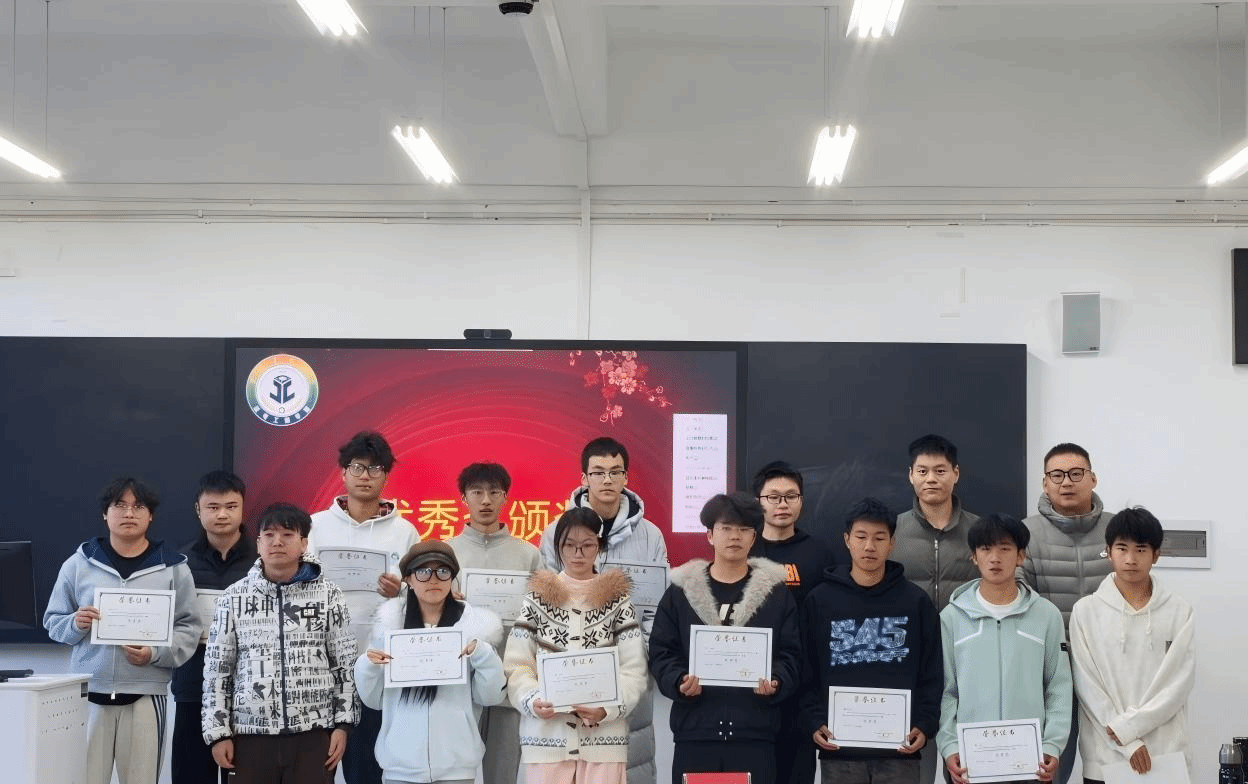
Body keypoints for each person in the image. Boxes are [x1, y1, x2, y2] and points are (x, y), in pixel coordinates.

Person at [43, 476, 199, 784]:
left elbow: (189, 626)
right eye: (119, 505)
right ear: (105, 513)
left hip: (145, 695)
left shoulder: (173, 567)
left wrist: (155, 653)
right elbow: (53, 622)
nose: (129, 513)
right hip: (89, 693)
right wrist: (75, 623)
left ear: (150, 515)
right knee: (84, 779)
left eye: (138, 507)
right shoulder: (78, 564)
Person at [538, 436, 668, 784]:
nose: (607, 480)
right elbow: (546, 602)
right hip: (572, 669)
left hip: (629, 670)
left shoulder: (651, 536)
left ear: (626, 477)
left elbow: (658, 609)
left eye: (615, 471)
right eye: (598, 472)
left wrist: (637, 655)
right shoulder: (555, 532)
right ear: (584, 478)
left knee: (632, 763)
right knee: (572, 766)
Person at [648, 492, 802, 784]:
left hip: (754, 734)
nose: (735, 536)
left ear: (754, 537)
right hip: (696, 733)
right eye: (726, 528)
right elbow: (661, 651)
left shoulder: (775, 595)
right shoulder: (681, 593)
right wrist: (679, 680)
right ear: (709, 535)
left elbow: (791, 654)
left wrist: (777, 681)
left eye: (744, 529)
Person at [202, 502, 359, 784]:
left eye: (287, 534)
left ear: (303, 543)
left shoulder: (329, 595)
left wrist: (343, 725)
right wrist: (218, 732)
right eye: (269, 535)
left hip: (314, 734)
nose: (277, 542)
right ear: (258, 543)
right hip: (249, 735)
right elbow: (218, 670)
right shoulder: (233, 598)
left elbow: (344, 665)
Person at [505, 507, 649, 784]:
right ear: (558, 547)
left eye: (587, 545)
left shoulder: (618, 602)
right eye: (569, 545)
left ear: (600, 547)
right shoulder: (536, 600)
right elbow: (517, 665)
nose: (577, 554)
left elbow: (634, 670)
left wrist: (607, 709)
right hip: (546, 740)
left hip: (604, 742)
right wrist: (534, 701)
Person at [803, 497, 942, 784]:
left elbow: (932, 671)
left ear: (892, 543)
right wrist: (814, 720)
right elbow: (806, 669)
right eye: (861, 537)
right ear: (847, 540)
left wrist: (925, 723)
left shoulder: (915, 602)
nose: (869, 546)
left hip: (900, 751)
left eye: (879, 538)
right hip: (840, 751)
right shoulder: (820, 601)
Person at [309, 430, 422, 784]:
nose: (365, 476)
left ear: (386, 476)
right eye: (357, 467)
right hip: (320, 664)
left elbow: (423, 593)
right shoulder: (314, 526)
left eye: (375, 469)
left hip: (377, 666)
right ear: (343, 472)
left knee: (368, 769)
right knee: (315, 767)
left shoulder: (405, 532)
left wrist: (401, 590)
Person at [355, 540, 508, 784]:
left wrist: (483, 655)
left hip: (457, 769)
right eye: (423, 571)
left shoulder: (474, 629)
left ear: (452, 578)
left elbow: (490, 697)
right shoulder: (389, 629)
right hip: (400, 769)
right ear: (408, 579)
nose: (433, 579)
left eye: (443, 571)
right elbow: (374, 700)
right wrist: (367, 666)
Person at [938, 514, 1071, 784]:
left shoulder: (1046, 615)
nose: (995, 558)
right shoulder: (951, 618)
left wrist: (1051, 745)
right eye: (986, 549)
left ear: (1021, 556)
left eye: (1005, 549)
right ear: (974, 557)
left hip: (1031, 761)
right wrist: (950, 746)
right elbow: (945, 690)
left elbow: (1058, 686)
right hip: (971, 761)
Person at [1068, 507, 1195, 784]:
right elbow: (1088, 687)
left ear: (1156, 555)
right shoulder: (1085, 611)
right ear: (1108, 551)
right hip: (1105, 757)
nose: (1130, 559)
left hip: (1166, 756)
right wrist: (1129, 742)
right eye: (1122, 548)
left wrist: (1129, 728)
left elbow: (1178, 683)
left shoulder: (1179, 611)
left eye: (1141, 549)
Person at [1021, 442, 1114, 783]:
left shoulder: (1116, 530)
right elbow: (1020, 598)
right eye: (1057, 475)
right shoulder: (1026, 533)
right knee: (1050, 768)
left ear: (1093, 478)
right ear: (1045, 483)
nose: (1067, 482)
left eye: (1076, 473)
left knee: (1114, 765)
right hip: (1051, 671)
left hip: (1108, 671)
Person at [446, 461, 542, 784]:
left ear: (506, 498)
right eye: (477, 492)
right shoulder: (446, 552)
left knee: (502, 775)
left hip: (509, 680)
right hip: (458, 684)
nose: (486, 500)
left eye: (494, 492)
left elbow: (544, 616)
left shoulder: (529, 555)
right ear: (463, 498)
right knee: (452, 775)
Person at [748, 460, 839, 784]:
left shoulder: (819, 553)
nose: (782, 504)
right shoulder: (743, 549)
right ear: (758, 502)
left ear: (801, 500)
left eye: (791, 496)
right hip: (750, 685)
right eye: (773, 497)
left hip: (801, 686)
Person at [171, 470, 257, 784]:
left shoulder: (262, 561)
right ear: (198, 509)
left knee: (245, 776)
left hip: (250, 689)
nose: (222, 514)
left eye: (231, 506)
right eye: (213, 507)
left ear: (243, 508)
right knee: (192, 775)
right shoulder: (178, 562)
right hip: (194, 682)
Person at [892, 434, 980, 611]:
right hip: (910, 626)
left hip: (964, 626)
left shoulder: (980, 531)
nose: (931, 479)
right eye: (922, 471)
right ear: (911, 475)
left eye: (940, 471)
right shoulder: (891, 530)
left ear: (956, 474)